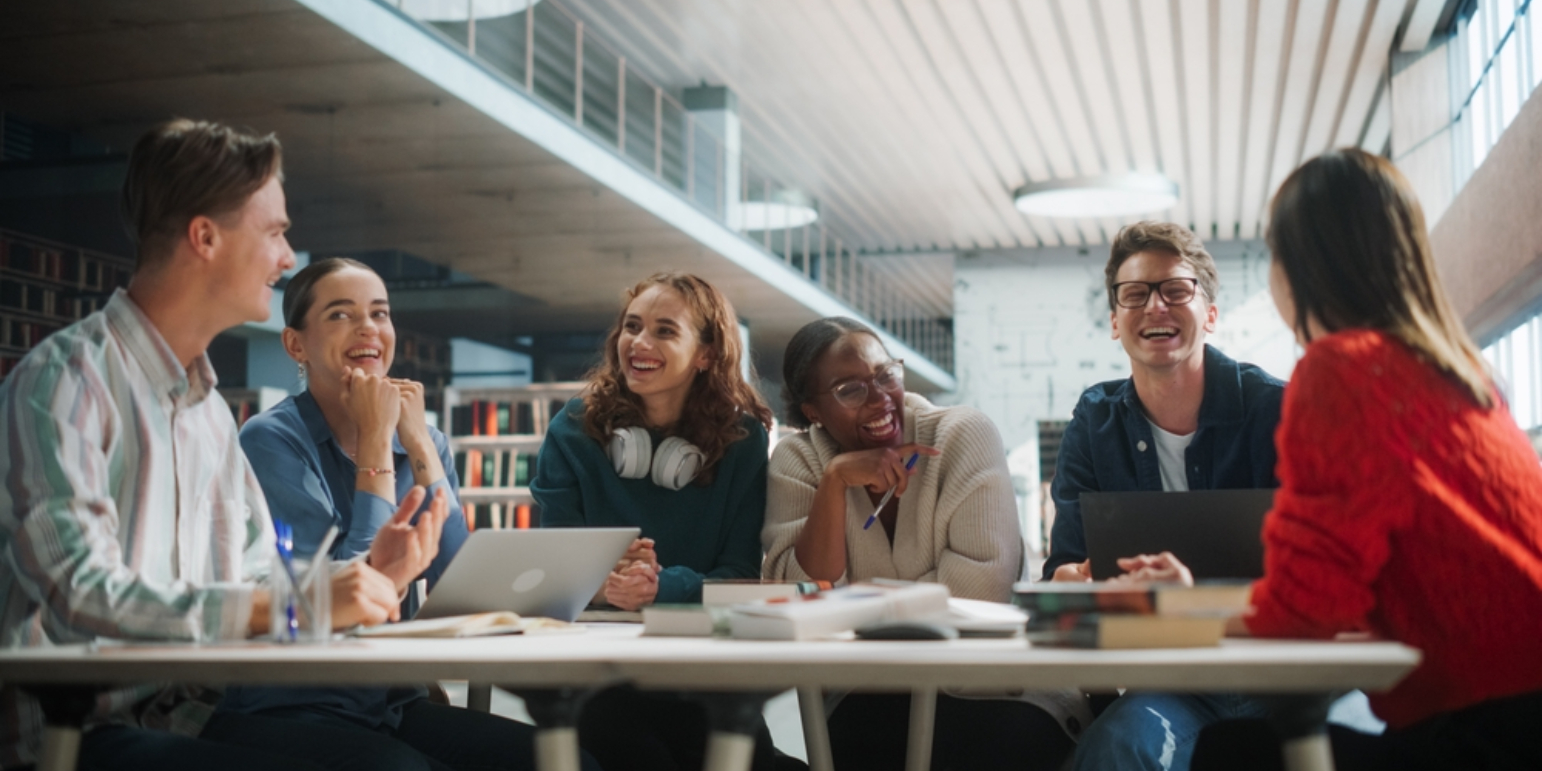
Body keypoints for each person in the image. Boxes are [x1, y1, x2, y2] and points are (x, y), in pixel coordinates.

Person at [0, 119, 438, 770]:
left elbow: (259, 575)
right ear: (204, 237)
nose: (287, 258)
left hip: (189, 717)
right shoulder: (65, 380)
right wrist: (303, 601)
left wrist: (366, 573)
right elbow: (81, 590)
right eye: (275, 233)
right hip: (76, 735)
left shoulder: (206, 409)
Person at [1134, 149, 1542, 770]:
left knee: (1231, 754)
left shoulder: (1343, 372)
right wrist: (1195, 599)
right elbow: (1336, 596)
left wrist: (1176, 614)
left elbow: (1305, 611)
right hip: (1516, 714)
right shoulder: (1463, 378)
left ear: (1300, 268)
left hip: (1485, 735)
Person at [221, 257, 600, 771]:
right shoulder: (270, 440)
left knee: (565, 760)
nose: (368, 329)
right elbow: (343, 598)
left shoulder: (424, 439)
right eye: (340, 315)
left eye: (380, 313)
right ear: (295, 345)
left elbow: (458, 579)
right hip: (294, 705)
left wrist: (420, 443)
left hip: (389, 704)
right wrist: (376, 443)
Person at [763, 316, 1087, 771]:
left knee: (968, 747)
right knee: (869, 742)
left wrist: (850, 606)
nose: (879, 399)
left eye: (884, 376)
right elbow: (796, 598)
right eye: (849, 390)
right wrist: (834, 485)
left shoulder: (962, 434)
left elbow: (979, 595)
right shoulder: (799, 460)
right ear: (812, 412)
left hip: (994, 687)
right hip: (867, 693)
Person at [1042, 221, 1289, 771]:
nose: (1155, 306)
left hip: (1281, 668)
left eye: (1176, 290)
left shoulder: (1277, 409)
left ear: (1211, 314)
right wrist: (1067, 582)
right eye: (1135, 294)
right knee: (1117, 750)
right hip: (1176, 680)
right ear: (1114, 321)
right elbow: (1063, 566)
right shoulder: (1095, 420)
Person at [531, 272, 791, 771]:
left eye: (665, 331)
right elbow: (554, 572)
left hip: (702, 665)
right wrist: (603, 587)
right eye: (632, 326)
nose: (639, 343)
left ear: (706, 354)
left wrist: (658, 588)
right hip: (598, 672)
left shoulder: (742, 442)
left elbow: (739, 575)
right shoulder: (573, 429)